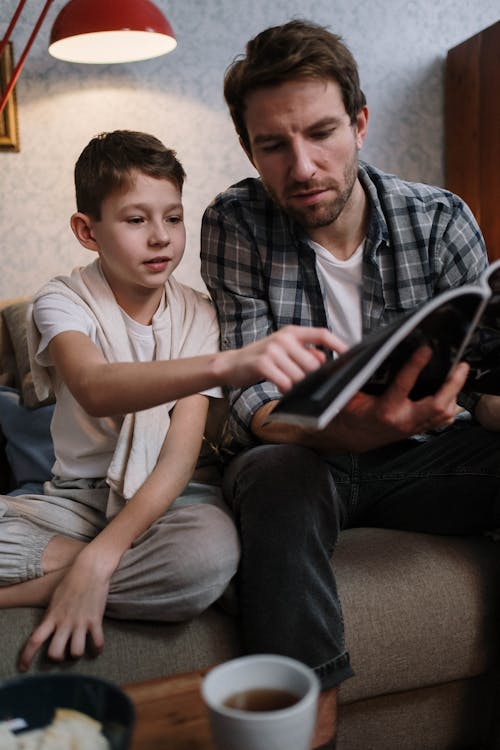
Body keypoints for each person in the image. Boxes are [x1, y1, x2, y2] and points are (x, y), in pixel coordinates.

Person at [200, 20, 500, 749]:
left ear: (360, 123)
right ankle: (311, 731)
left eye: (322, 133)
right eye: (273, 144)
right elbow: (252, 409)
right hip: (306, 458)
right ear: (249, 149)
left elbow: (483, 379)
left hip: (425, 455)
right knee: (273, 475)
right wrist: (356, 430)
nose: (301, 166)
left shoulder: (440, 220)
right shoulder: (234, 224)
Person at [0, 129, 341, 673]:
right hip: (75, 500)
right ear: (88, 231)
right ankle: (84, 574)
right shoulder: (61, 301)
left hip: (170, 503)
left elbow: (180, 461)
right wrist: (227, 364)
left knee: (205, 558)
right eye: (136, 220)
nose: (161, 237)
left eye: (173, 218)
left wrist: (103, 558)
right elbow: (94, 384)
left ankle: (49, 585)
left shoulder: (200, 314)